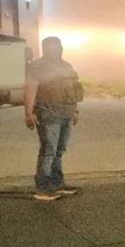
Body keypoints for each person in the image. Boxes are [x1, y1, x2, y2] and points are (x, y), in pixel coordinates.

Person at [23, 36, 83, 201]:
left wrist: (75, 111)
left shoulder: (66, 66)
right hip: (48, 115)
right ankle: (42, 188)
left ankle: (57, 184)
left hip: (66, 114)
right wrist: (28, 113)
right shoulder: (38, 67)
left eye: (57, 46)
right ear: (45, 48)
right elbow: (30, 89)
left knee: (59, 151)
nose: (55, 49)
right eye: (51, 46)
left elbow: (72, 89)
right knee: (48, 151)